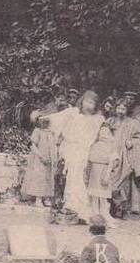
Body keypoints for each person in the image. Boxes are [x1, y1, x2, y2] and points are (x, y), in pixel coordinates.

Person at [40, 89, 104, 222]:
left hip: (85, 150)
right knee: (71, 176)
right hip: (70, 148)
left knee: (79, 177)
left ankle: (79, 208)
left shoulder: (97, 119)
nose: (88, 105)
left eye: (92, 103)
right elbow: (57, 118)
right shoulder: (73, 113)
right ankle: (70, 206)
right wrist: (42, 118)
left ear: (96, 105)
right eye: (87, 101)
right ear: (82, 101)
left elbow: (97, 136)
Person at [110, 100, 140, 219]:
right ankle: (112, 205)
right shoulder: (110, 121)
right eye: (118, 108)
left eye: (123, 109)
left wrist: (132, 142)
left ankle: (122, 208)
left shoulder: (133, 123)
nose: (120, 111)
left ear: (127, 110)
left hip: (127, 154)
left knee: (124, 180)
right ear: (115, 109)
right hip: (111, 153)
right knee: (111, 178)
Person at [21, 103, 59, 207]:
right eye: (43, 120)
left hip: (49, 159)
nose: (46, 122)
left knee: (48, 177)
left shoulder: (51, 133)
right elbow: (32, 145)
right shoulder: (38, 131)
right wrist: (40, 156)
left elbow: (54, 145)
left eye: (48, 120)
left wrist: (54, 156)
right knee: (39, 177)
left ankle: (46, 197)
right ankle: (38, 198)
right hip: (39, 159)